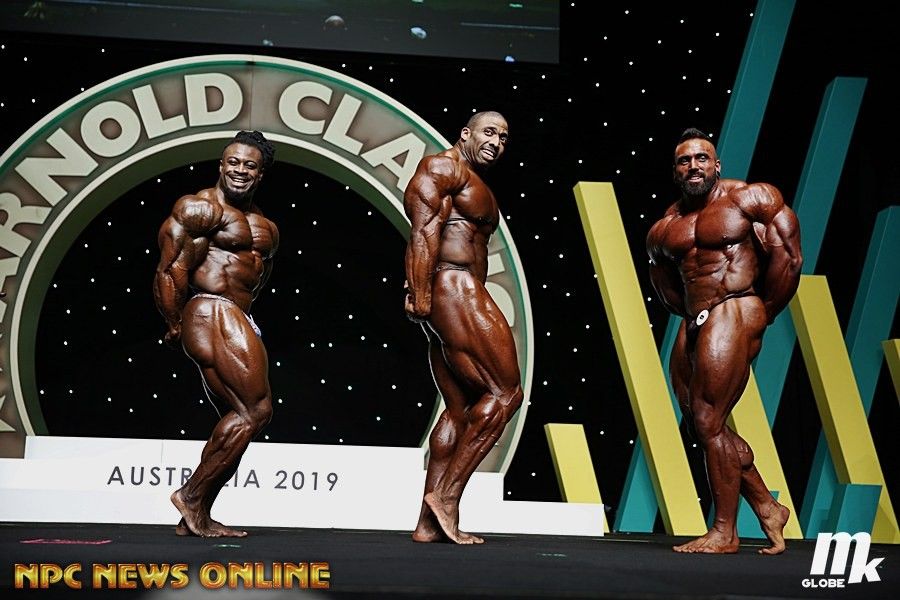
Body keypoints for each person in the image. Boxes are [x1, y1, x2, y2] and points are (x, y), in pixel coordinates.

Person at [646, 128, 802, 554]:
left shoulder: (750, 199)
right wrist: (694, 312)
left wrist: (762, 310)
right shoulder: (665, 227)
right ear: (675, 171)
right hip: (696, 319)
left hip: (736, 306)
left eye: (701, 158)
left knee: (708, 418)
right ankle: (768, 506)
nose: (693, 166)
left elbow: (789, 258)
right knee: (700, 421)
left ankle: (725, 532)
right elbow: (665, 285)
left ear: (716, 165)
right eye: (684, 161)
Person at [404, 111, 523, 544]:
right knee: (506, 393)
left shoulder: (475, 182)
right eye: (489, 132)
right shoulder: (443, 168)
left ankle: (427, 524)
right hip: (452, 285)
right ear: (465, 133)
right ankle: (447, 497)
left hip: (456, 288)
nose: (497, 142)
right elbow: (424, 231)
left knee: (459, 409)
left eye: (503, 137)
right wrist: (420, 291)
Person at [153, 130, 279, 538]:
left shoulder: (266, 226)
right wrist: (175, 322)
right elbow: (170, 268)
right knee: (255, 411)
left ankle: (196, 513)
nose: (240, 170)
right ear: (221, 165)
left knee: (241, 417)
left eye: (250, 165)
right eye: (233, 162)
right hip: (210, 308)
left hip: (236, 315)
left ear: (260, 174)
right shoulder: (200, 208)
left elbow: (257, 278)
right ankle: (191, 496)